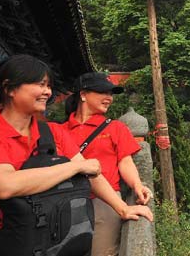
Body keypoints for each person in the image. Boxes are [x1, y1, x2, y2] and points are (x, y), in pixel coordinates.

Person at [0, 54, 152, 256]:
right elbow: (4, 185)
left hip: (47, 235)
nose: (47, 92)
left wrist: (123, 208)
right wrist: (75, 167)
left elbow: (92, 174)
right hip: (2, 241)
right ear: (9, 88)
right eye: (40, 84)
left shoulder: (53, 132)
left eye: (48, 85)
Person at [63, 72, 152, 256]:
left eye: (111, 93)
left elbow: (125, 162)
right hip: (67, 203)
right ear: (83, 94)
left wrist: (137, 185)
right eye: (103, 92)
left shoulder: (115, 127)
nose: (109, 98)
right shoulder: (60, 130)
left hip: (106, 202)